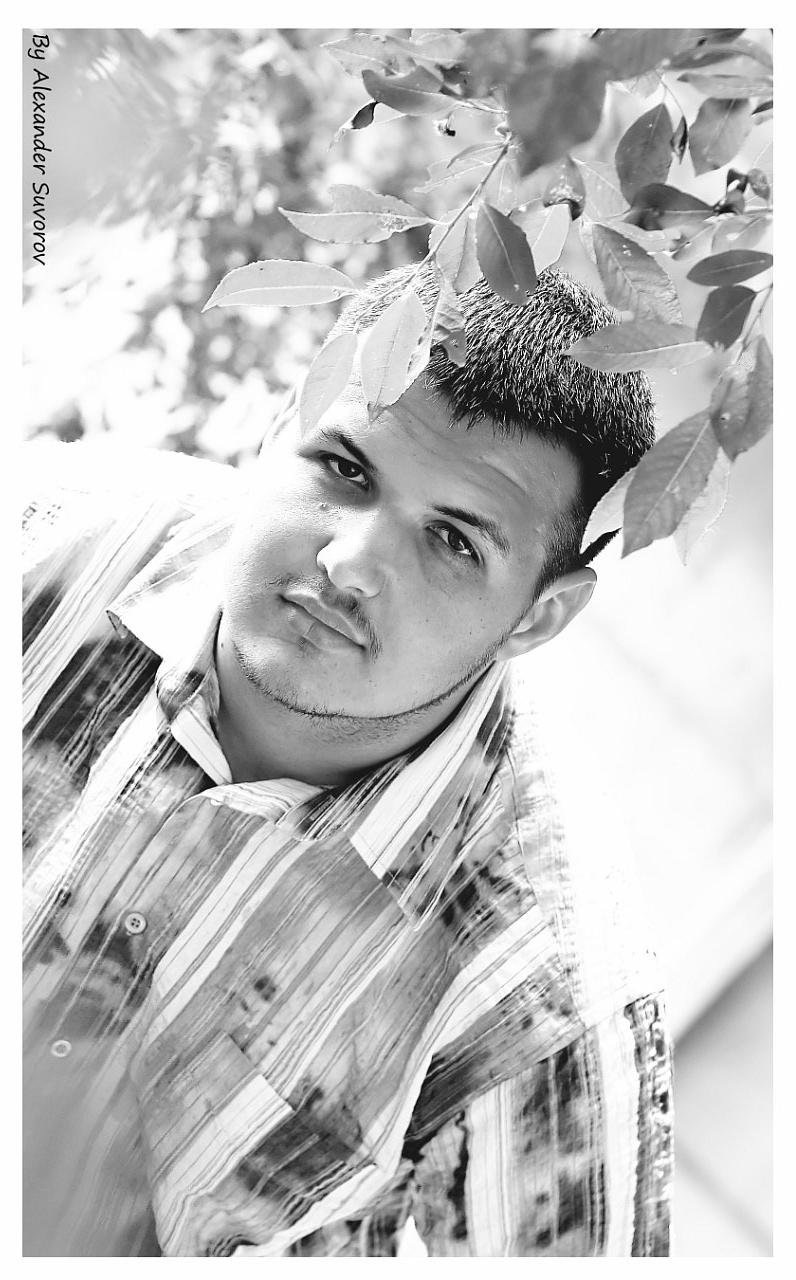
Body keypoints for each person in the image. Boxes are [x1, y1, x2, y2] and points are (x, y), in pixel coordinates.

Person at [22, 264, 673, 1257]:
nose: (348, 563)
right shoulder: (40, 541)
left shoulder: (539, 986)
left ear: (538, 617)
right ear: (283, 420)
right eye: (345, 469)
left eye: (452, 541)